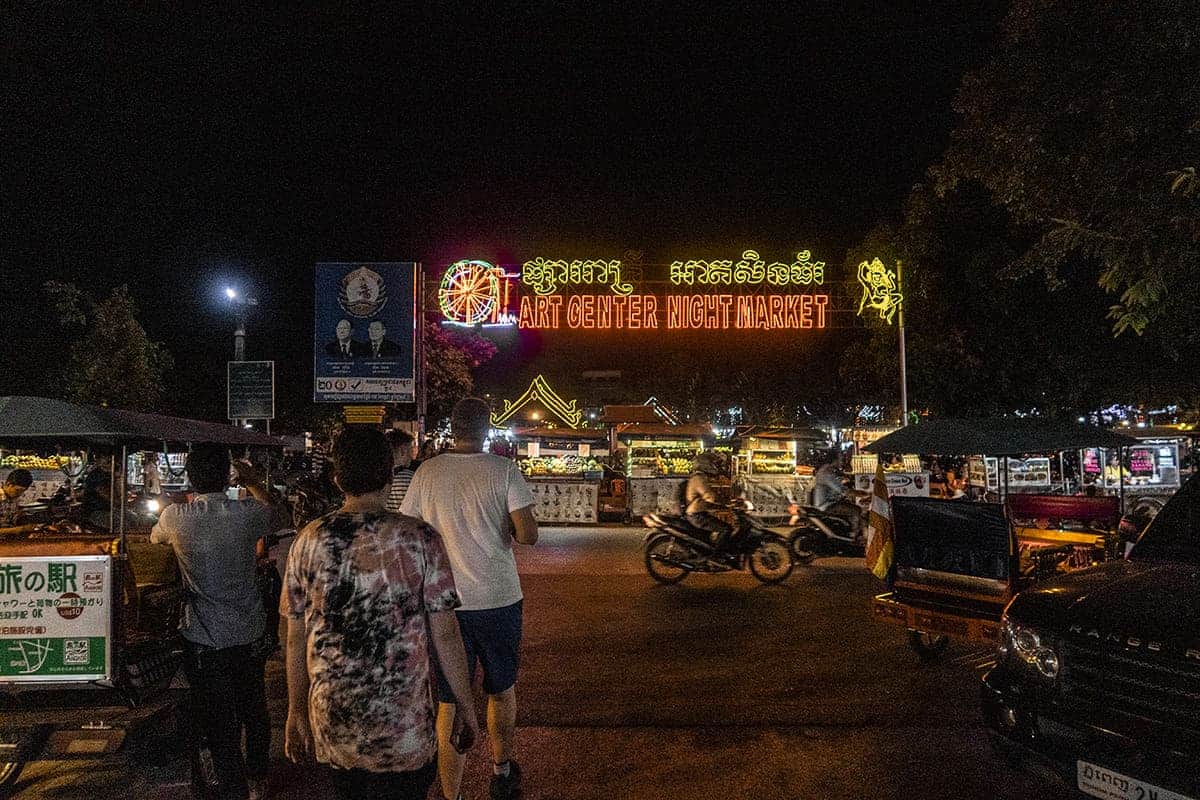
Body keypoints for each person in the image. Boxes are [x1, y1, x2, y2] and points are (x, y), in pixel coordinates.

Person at [282, 427, 478, 800]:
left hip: (335, 721)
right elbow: (446, 634)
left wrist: (295, 709)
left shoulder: (308, 539)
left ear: (337, 478)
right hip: (402, 727)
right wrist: (466, 706)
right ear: (390, 475)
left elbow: (295, 635)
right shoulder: (421, 538)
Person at [400, 397, 539, 800]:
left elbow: (410, 529)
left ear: (453, 427)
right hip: (498, 598)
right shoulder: (504, 470)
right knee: (501, 688)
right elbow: (528, 535)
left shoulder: (427, 472)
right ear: (486, 427)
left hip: (443, 603)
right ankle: (500, 770)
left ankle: (452, 793)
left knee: (448, 701)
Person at [151, 444, 290, 800]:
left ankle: (234, 787)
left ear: (189, 476)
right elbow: (282, 515)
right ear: (228, 475)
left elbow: (154, 542)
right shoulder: (247, 512)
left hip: (203, 636)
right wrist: (254, 481)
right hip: (248, 629)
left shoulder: (175, 517)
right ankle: (258, 775)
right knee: (254, 707)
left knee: (219, 721)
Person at [684, 452, 733, 558]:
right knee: (726, 529)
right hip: (696, 515)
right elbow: (709, 497)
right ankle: (717, 557)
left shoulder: (700, 477)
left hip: (699, 512)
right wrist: (726, 502)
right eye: (712, 463)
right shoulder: (699, 479)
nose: (714, 465)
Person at [385, 428, 419, 512]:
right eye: (411, 449)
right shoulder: (411, 479)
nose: (412, 455)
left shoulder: (379, 478)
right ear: (403, 451)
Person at [0, 469, 36, 535]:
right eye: (17, 490)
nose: (20, 494)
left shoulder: (14, 499)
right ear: (9, 484)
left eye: (23, 491)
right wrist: (20, 529)